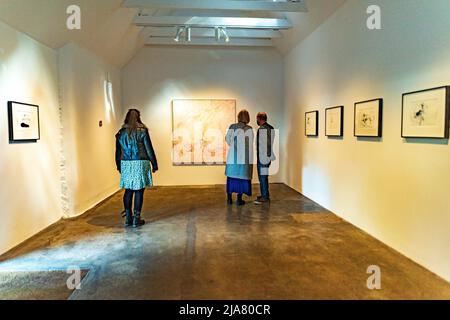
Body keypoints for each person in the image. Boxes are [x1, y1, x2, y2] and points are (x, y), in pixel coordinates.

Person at [115, 109, 158, 228]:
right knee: (139, 190)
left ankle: (128, 218)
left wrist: (118, 165)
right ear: (138, 117)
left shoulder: (120, 133)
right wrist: (154, 164)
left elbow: (118, 152)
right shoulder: (142, 131)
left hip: (126, 163)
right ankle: (136, 218)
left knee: (128, 190)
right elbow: (149, 149)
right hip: (140, 162)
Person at [225, 110, 254, 206]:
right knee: (241, 178)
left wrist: (234, 145)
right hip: (244, 158)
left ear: (238, 117)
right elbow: (250, 143)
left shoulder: (232, 127)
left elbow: (227, 139)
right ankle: (239, 199)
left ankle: (229, 199)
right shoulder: (249, 129)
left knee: (231, 177)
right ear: (248, 118)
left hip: (233, 157)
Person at [254, 112, 275, 205]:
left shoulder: (262, 129)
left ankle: (265, 197)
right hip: (268, 156)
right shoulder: (271, 128)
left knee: (262, 177)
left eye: (257, 119)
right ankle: (264, 194)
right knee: (264, 176)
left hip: (263, 157)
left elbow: (263, 145)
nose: (256, 121)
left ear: (259, 118)